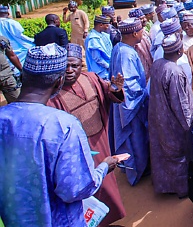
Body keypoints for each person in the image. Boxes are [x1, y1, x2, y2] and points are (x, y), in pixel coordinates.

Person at [0, 44, 118, 227]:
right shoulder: (63, 125)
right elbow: (76, 189)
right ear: (58, 82)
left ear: (23, 76)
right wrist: (104, 167)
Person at [47, 44, 126, 227]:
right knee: (89, 187)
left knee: (108, 185)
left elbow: (110, 95)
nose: (69, 70)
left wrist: (115, 89)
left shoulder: (91, 78)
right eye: (65, 66)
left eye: (74, 65)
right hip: (79, 151)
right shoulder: (53, 94)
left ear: (80, 65)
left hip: (101, 141)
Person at [148, 34, 193, 197]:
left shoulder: (157, 64)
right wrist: (190, 127)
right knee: (178, 155)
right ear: (179, 51)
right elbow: (181, 106)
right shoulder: (175, 72)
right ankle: (182, 190)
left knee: (162, 152)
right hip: (173, 124)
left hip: (158, 119)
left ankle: (164, 185)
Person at [109, 18, 149, 186]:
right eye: (141, 31)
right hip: (130, 108)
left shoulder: (122, 48)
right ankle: (137, 172)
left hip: (127, 104)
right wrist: (145, 94)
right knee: (134, 140)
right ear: (134, 33)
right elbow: (129, 86)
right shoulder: (125, 54)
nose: (142, 33)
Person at [84, 15, 113, 80]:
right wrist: (108, 66)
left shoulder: (104, 35)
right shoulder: (93, 39)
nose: (108, 28)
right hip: (100, 73)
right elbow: (97, 58)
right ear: (101, 25)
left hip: (107, 71)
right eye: (107, 25)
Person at [129, 8, 152, 83]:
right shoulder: (135, 37)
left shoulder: (144, 31)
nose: (144, 20)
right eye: (141, 19)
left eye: (144, 17)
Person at [0, 36, 22, 103]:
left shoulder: (2, 40)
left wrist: (22, 70)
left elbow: (12, 56)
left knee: (17, 103)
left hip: (7, 77)